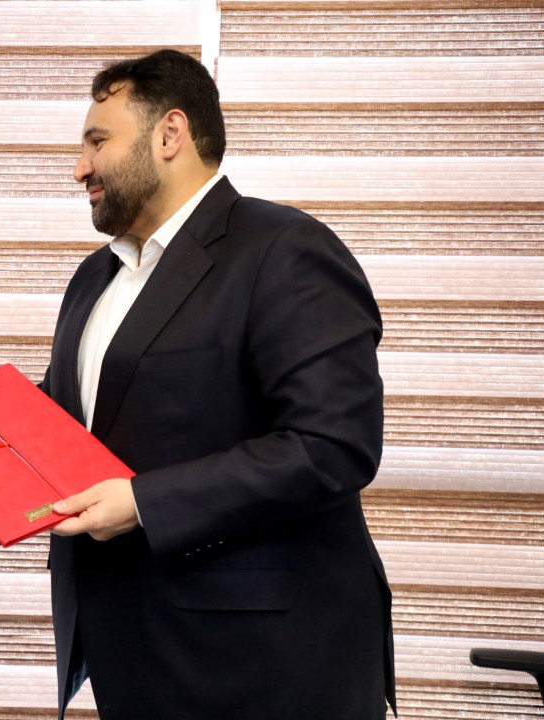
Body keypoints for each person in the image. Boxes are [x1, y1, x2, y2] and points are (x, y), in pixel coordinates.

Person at [41, 49, 397, 719]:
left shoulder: (285, 249)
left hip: (268, 665)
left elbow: (333, 445)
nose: (80, 167)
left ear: (170, 134)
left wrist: (143, 502)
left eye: (97, 141)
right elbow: (53, 424)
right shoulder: (96, 277)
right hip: (136, 654)